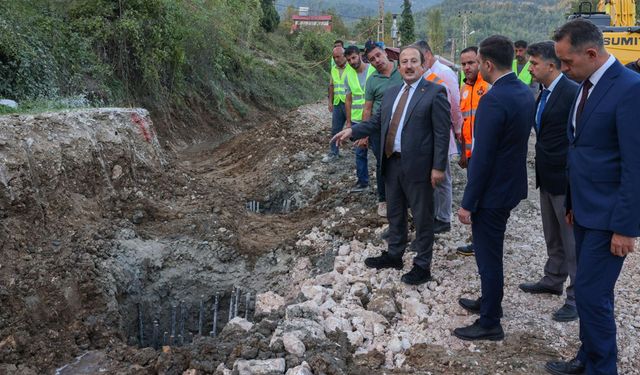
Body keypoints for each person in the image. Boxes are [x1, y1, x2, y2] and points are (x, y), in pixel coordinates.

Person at [545, 19, 640, 375]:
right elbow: (580, 150)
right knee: (590, 292)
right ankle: (587, 358)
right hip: (584, 212)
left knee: (591, 294)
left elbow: (635, 164)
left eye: (567, 62)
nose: (563, 69)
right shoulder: (585, 86)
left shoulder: (630, 88)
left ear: (590, 52)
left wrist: (626, 228)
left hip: (609, 217)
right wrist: (571, 204)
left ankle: (603, 368)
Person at [332, 46, 450, 285]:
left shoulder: (435, 92)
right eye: (404, 62)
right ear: (399, 66)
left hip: (419, 166)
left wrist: (438, 167)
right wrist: (353, 130)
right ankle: (394, 255)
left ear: (422, 65)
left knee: (422, 216)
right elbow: (376, 121)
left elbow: (441, 133)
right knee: (395, 212)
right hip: (392, 162)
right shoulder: (392, 92)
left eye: (413, 61)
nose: (408, 66)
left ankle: (422, 265)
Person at [453, 35, 534, 341]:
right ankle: (488, 301)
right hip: (510, 186)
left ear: (487, 64)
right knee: (491, 252)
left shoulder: (494, 99)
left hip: (491, 193)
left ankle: (490, 321)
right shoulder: (524, 92)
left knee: (488, 256)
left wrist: (468, 203)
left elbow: (483, 157)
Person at [519, 41, 579, 323]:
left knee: (572, 242)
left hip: (565, 179)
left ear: (551, 65)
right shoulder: (543, 93)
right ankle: (553, 279)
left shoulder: (571, 93)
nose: (530, 68)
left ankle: (577, 297)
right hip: (546, 176)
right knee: (552, 235)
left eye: (534, 64)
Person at [415, 40, 463, 235]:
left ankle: (443, 218)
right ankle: (435, 214)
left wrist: (458, 128)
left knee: (442, 176)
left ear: (426, 54)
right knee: (433, 177)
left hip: (442, 132)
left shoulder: (442, 73)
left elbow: (454, 104)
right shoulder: (428, 72)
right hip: (429, 133)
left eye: (417, 58)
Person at [362, 41, 403, 217]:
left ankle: (404, 199)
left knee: (403, 161)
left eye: (378, 55)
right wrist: (364, 133)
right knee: (382, 164)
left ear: (385, 53)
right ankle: (383, 199)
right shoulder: (372, 81)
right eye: (372, 59)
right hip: (379, 130)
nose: (377, 60)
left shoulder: (402, 71)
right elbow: (367, 108)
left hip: (403, 126)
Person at [456, 46, 490, 256]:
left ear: (481, 63)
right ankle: (478, 241)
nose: (467, 67)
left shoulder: (487, 86)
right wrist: (462, 153)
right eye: (464, 64)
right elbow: (463, 125)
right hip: (470, 157)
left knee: (484, 201)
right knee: (476, 200)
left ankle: (483, 243)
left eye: (471, 63)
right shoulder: (464, 88)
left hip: (484, 158)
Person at [344, 45, 376, 192]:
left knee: (378, 151)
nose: (351, 61)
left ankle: (386, 184)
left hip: (374, 118)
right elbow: (349, 100)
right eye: (349, 59)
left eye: (354, 57)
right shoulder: (348, 74)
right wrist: (349, 122)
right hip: (358, 120)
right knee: (360, 151)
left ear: (360, 55)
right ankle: (363, 182)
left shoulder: (373, 70)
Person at [324, 47, 350, 163]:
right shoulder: (333, 69)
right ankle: (334, 152)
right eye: (334, 57)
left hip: (351, 104)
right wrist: (330, 101)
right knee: (335, 129)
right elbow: (331, 85)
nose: (336, 59)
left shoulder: (351, 68)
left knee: (356, 129)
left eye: (338, 56)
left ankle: (360, 152)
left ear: (344, 56)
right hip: (338, 103)